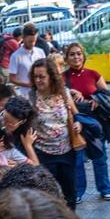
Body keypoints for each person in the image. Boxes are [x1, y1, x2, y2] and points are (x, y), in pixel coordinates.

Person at [64, 43, 110, 202]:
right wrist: (70, 92)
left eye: (78, 53)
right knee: (77, 161)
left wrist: (97, 99)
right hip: (74, 123)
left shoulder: (94, 74)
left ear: (83, 56)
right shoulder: (62, 78)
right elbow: (59, 99)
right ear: (67, 58)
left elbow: (108, 97)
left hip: (95, 123)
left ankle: (105, 188)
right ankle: (78, 191)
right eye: (72, 54)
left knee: (100, 157)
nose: (76, 57)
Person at [30, 58, 80, 207]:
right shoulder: (31, 97)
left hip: (67, 152)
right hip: (43, 154)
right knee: (49, 195)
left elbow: (76, 114)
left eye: (41, 76)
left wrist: (78, 123)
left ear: (51, 76)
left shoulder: (63, 93)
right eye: (35, 77)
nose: (38, 80)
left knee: (70, 193)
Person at [9, 22, 47, 98]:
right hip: (26, 94)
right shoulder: (15, 56)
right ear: (23, 38)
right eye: (30, 41)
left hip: (43, 91)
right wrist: (28, 84)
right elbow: (12, 78)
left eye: (34, 41)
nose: (32, 44)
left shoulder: (40, 52)